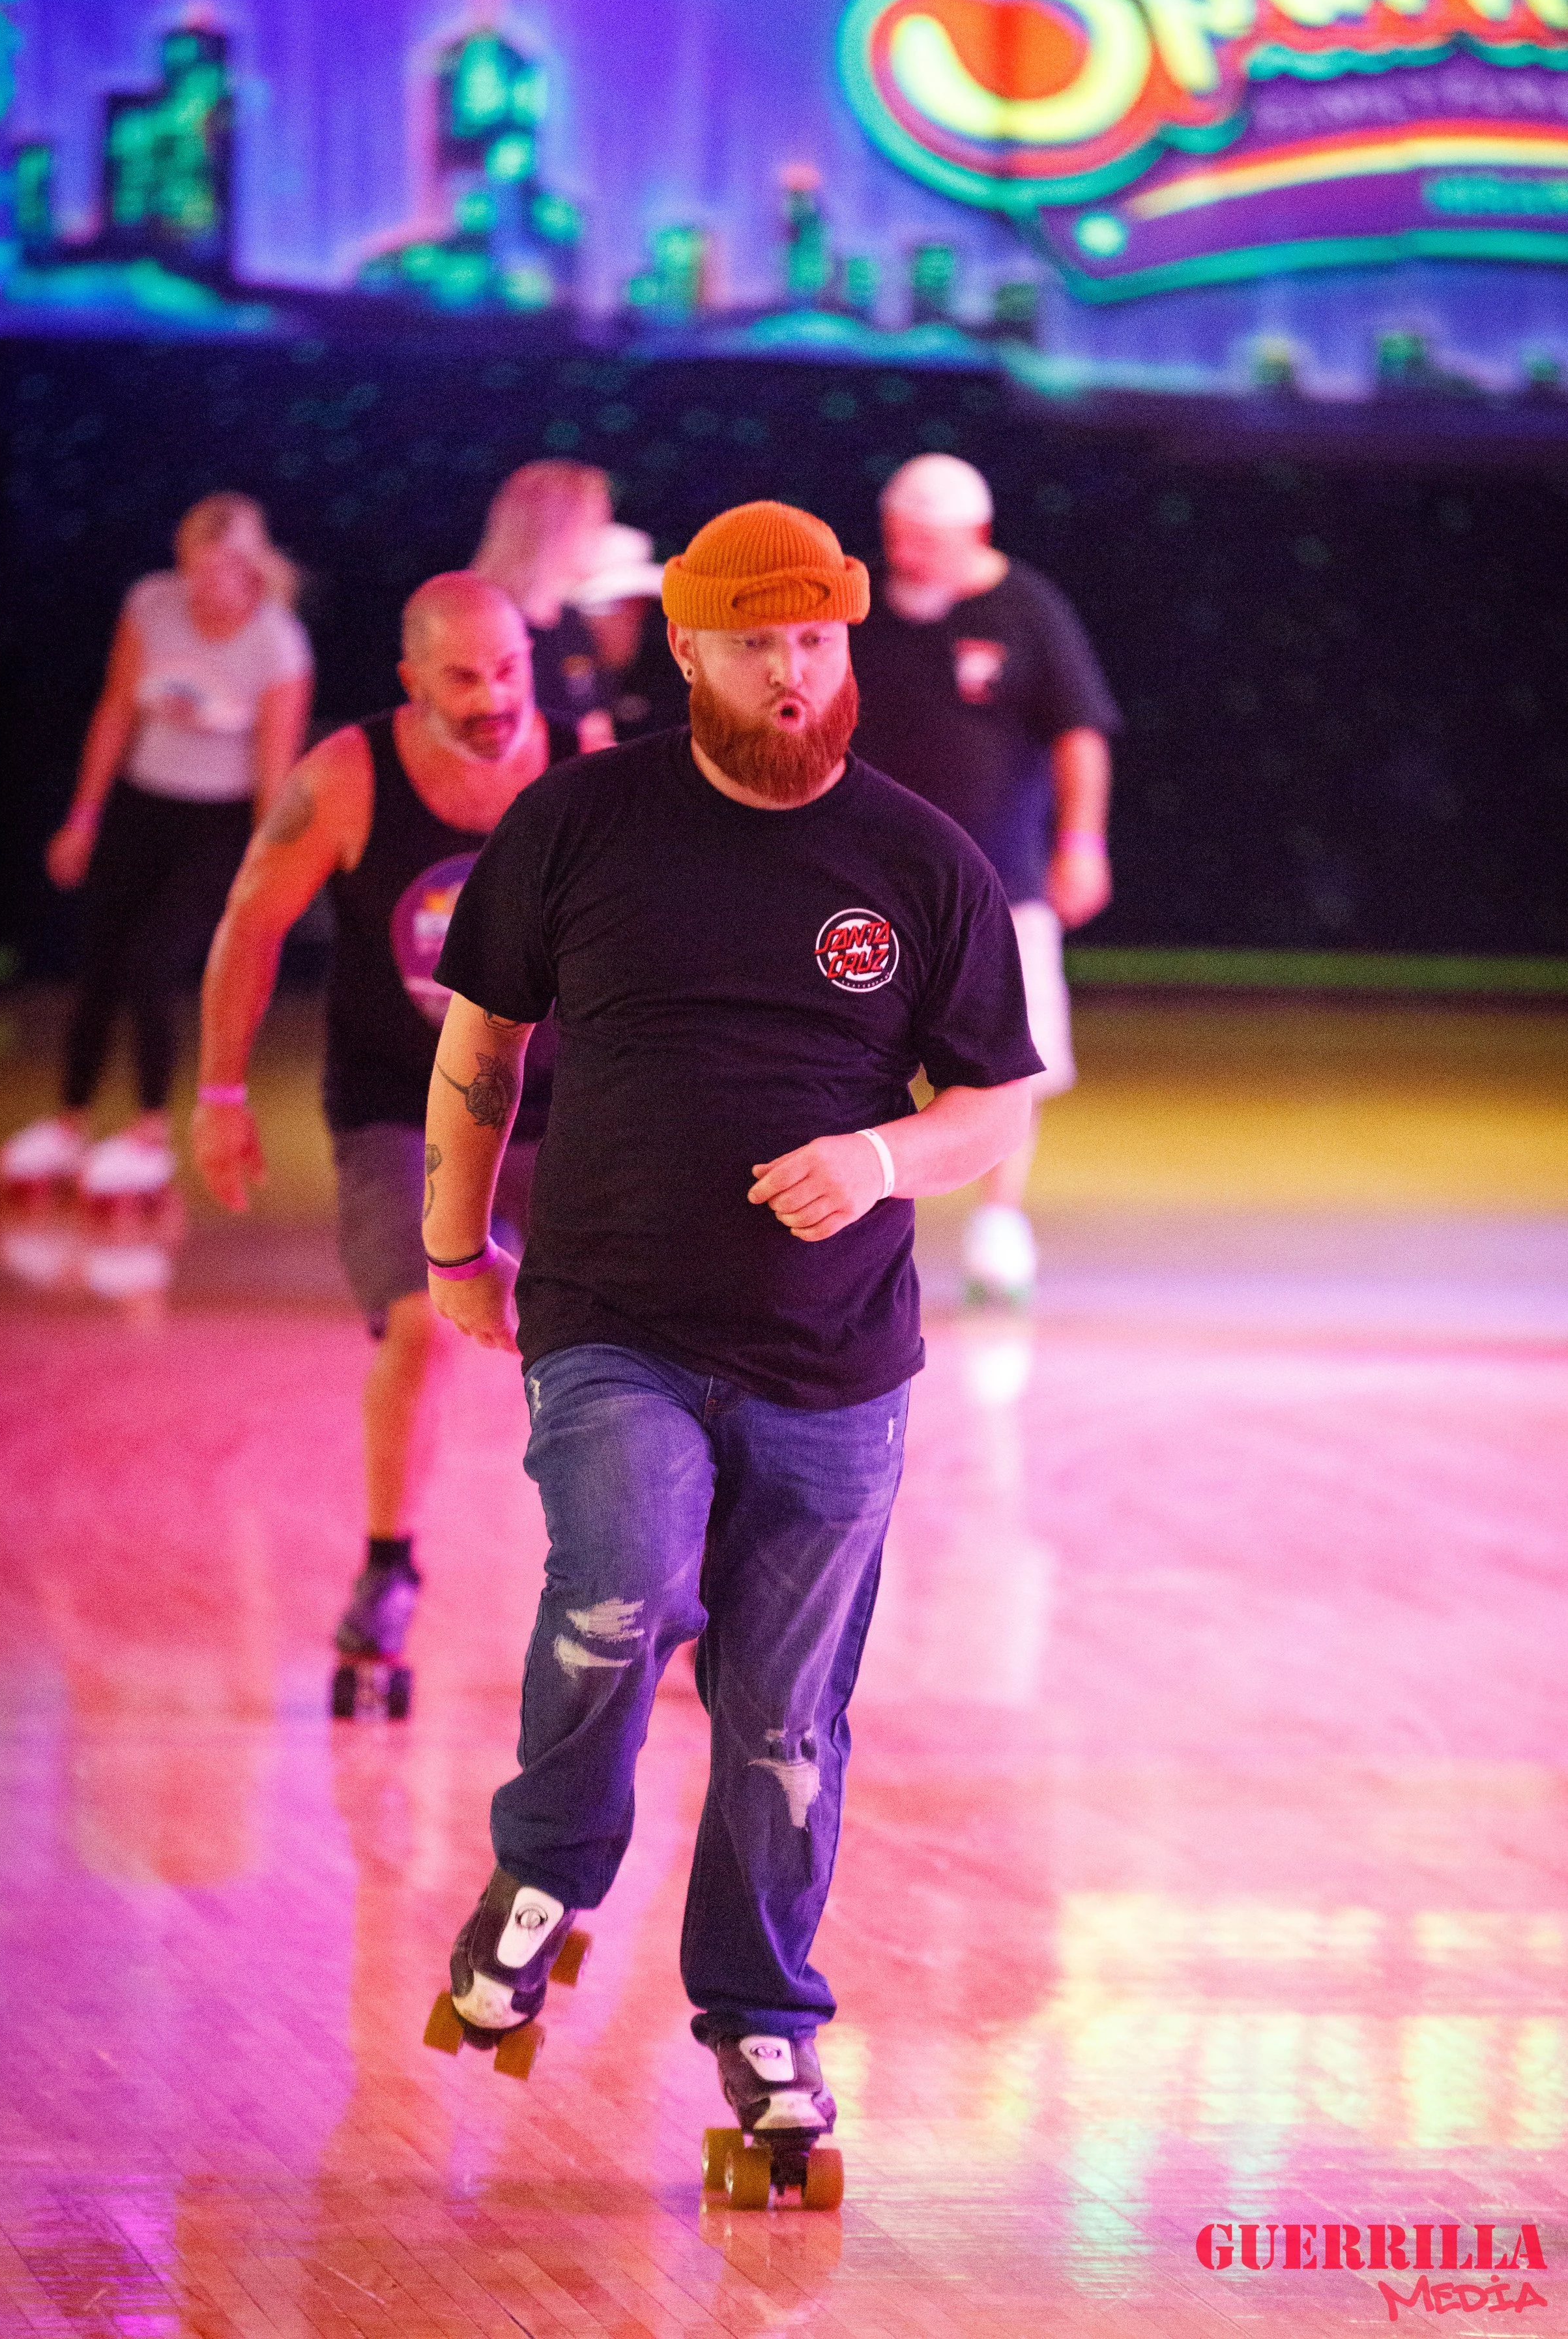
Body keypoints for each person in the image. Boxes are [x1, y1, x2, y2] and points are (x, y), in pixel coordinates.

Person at [419, 503, 1040, 2151]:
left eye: (816, 638)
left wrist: (882, 1155)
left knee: (782, 1716)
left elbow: (995, 1102)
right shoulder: (580, 822)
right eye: (756, 639)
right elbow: (481, 1043)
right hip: (614, 1315)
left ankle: (764, 2020)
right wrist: (450, 1242)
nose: (792, 669)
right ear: (685, 647)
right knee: (622, 1584)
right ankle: (546, 1872)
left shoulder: (920, 859)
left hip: (837, 1361)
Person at [192, 574, 575, 1676]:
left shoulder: (583, 760)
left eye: (510, 669)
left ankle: (663, 1587)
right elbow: (251, 924)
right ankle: (389, 1567)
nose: (496, 695)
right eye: (463, 676)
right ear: (411, 682)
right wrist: (220, 1095)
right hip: (397, 1100)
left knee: (619, 1340)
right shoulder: (349, 776)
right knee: (418, 1324)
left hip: (557, 1102)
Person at [850, 453, 1122, 1305]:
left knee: (1011, 1059)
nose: (907, 555)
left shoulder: (1028, 608)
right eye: (897, 536)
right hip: (870, 884)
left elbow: (1081, 731)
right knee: (854, 1047)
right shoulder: (860, 611)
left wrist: (1081, 840)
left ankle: (999, 1224)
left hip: (1001, 883)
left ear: (976, 534)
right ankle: (859, 1222)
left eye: (925, 540)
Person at [0, 494, 313, 1199]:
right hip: (142, 809)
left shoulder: (277, 643)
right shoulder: (152, 605)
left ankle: (148, 1132)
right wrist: (82, 818)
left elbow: (275, 769)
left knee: (153, 964)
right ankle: (70, 1122)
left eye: (220, 571)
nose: (202, 586)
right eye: (192, 569)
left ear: (250, 567)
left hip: (220, 825)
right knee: (99, 964)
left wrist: (265, 868)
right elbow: (115, 710)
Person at [471, 460, 617, 752]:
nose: (605, 534)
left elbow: (597, 729)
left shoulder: (571, 621)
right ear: (558, 529)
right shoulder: (478, 625)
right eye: (596, 521)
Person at [567, 523, 686, 741]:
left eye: (640, 606)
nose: (633, 619)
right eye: (621, 606)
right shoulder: (554, 676)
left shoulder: (666, 673)